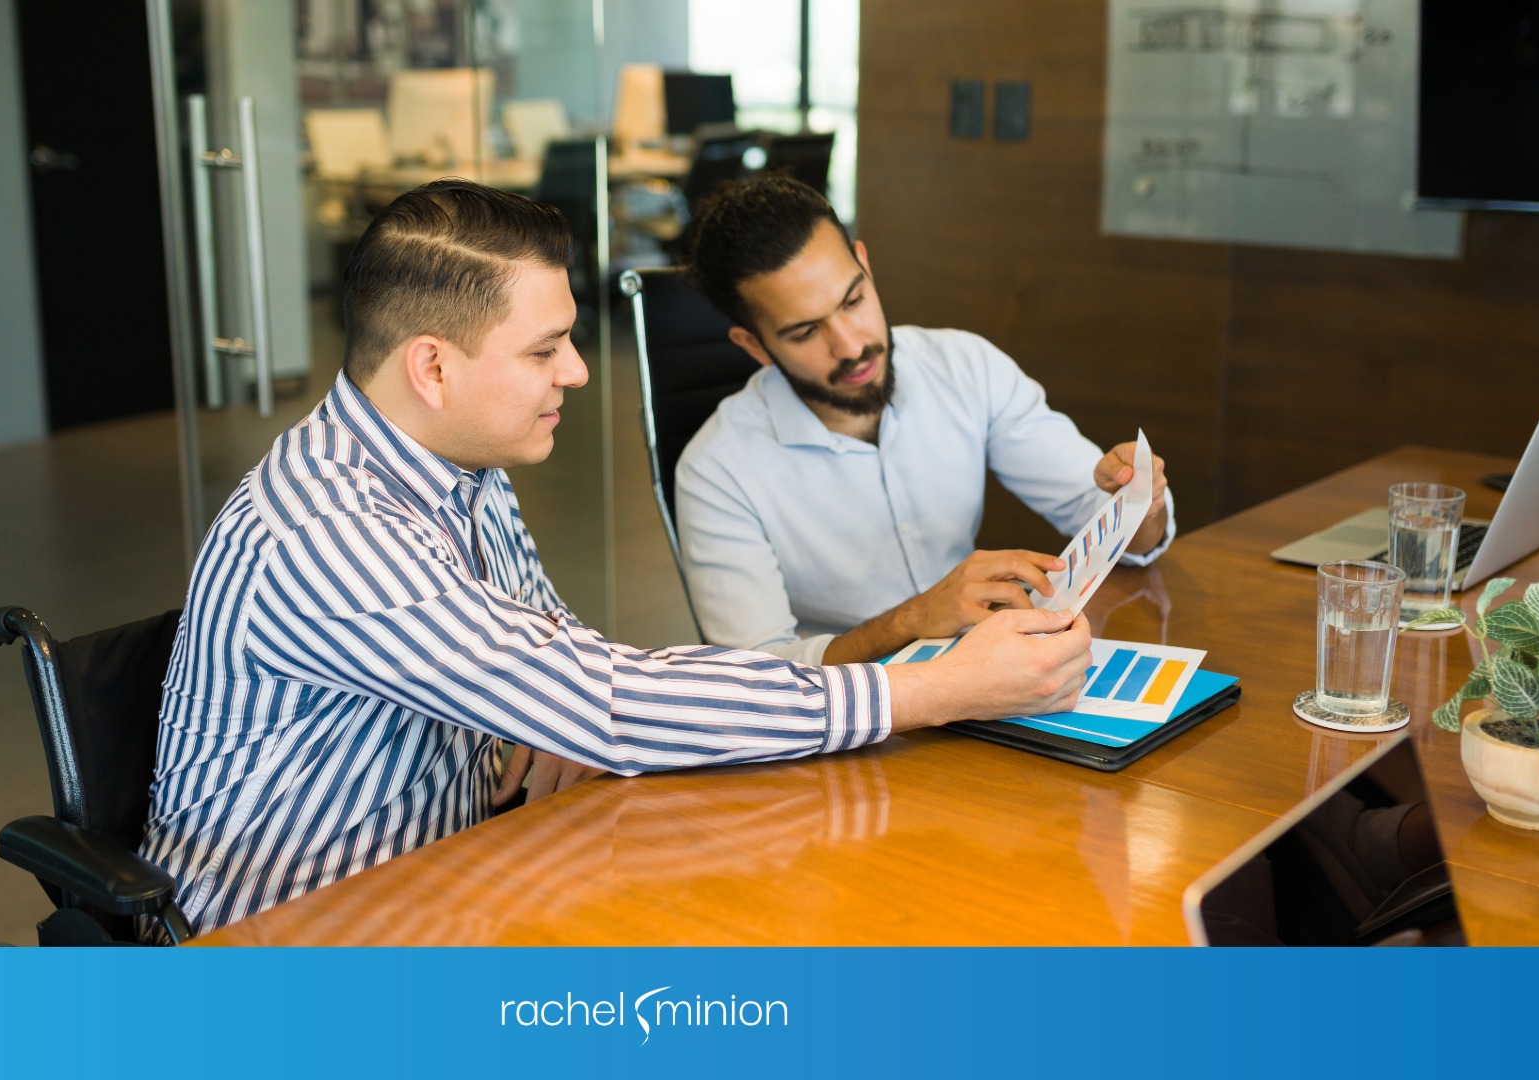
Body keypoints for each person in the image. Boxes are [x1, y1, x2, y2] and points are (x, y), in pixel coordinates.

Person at [138, 180, 1095, 936]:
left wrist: (555, 704)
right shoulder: (330, 531)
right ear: (433, 368)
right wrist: (926, 692)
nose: (578, 372)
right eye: (546, 349)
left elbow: (560, 663)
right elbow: (601, 699)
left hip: (452, 873)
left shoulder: (458, 466)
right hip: (293, 941)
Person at [676, 175, 1177, 666]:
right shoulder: (716, 469)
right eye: (806, 331)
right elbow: (754, 676)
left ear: (865, 266)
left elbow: (1124, 536)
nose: (852, 346)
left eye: (853, 301)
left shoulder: (964, 366)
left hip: (987, 677)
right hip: (846, 717)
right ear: (754, 345)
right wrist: (910, 621)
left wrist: (1140, 502)